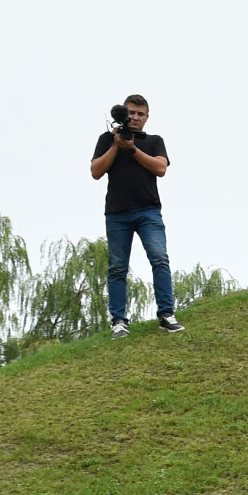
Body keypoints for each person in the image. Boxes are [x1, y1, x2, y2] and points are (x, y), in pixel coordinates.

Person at [88, 93, 182, 337]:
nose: (135, 117)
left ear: (147, 117)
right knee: (117, 268)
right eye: (131, 113)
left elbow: (160, 168)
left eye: (141, 114)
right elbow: (96, 171)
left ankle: (166, 314)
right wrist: (116, 146)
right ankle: (118, 321)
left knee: (159, 258)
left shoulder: (154, 141)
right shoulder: (107, 139)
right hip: (117, 213)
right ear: (123, 113)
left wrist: (132, 149)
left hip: (148, 210)